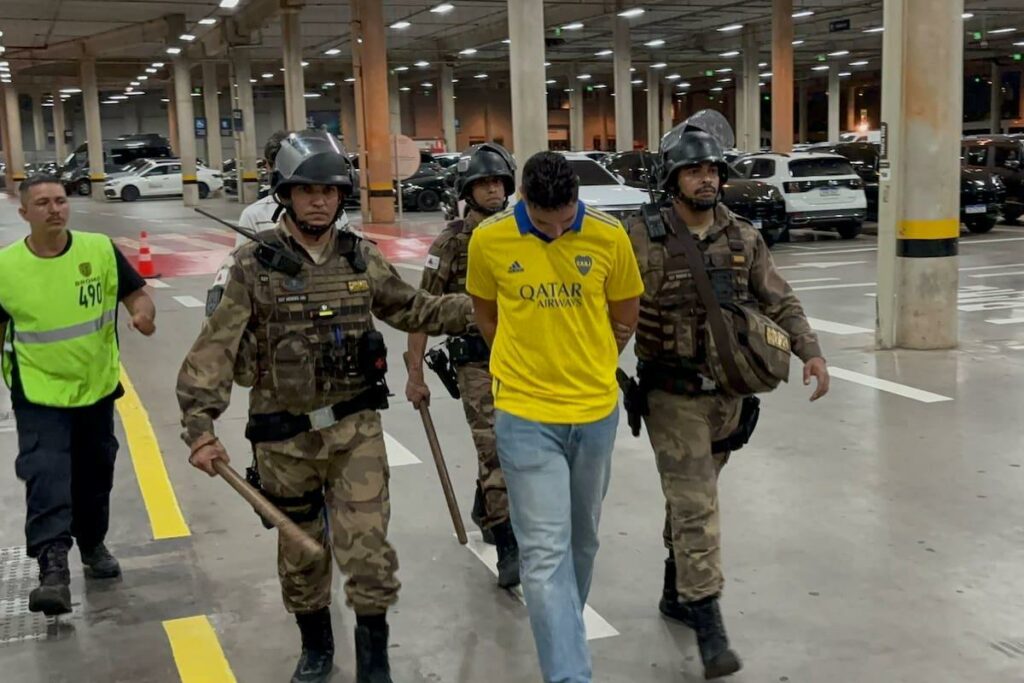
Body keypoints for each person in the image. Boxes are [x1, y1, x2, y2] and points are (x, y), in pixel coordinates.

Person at [176, 130, 473, 683]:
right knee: (303, 555)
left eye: (331, 191)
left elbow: (415, 308)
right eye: (307, 190)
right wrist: (200, 426)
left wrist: (486, 308)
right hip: (282, 441)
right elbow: (213, 350)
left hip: (354, 430)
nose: (320, 200)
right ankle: (316, 647)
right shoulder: (251, 266)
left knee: (369, 551)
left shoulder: (361, 257)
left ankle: (374, 659)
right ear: (285, 194)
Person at [625, 130, 830, 679]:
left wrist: (811, 352)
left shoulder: (742, 235)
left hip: (731, 397)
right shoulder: (639, 238)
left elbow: (778, 298)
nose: (707, 178)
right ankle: (709, 624)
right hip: (672, 394)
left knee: (696, 495)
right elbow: (606, 308)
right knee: (696, 506)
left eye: (713, 170)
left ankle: (675, 589)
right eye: (695, 171)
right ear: (673, 180)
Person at [466, 151, 644, 683]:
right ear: (524, 201)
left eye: (567, 219)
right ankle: (569, 674)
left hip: (594, 414)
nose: (559, 230)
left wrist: (589, 359)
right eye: (545, 223)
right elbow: (485, 312)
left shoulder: (609, 236)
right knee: (544, 552)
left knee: (582, 540)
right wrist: (524, 363)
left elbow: (625, 313)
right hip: (524, 416)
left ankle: (562, 629)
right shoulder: (490, 240)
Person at [0, 174, 156, 616]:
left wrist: (144, 317)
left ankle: (92, 545)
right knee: (46, 476)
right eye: (44, 203)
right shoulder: (6, 267)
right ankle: (52, 572)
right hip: (39, 392)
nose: (55, 209)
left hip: (96, 389)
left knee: (94, 475)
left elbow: (137, 296)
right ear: (24, 213)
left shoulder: (99, 250)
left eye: (60, 200)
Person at [405, 143, 520, 587]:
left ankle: (485, 505)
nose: (493, 190)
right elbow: (422, 310)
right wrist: (415, 374)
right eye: (483, 184)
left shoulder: (521, 233)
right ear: (467, 191)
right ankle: (508, 546)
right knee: (495, 446)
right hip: (477, 363)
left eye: (498, 182)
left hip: (523, 360)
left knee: (519, 446)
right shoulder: (453, 242)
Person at [235, 129, 350, 245]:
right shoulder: (253, 215)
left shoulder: (335, 213)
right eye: (306, 190)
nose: (319, 202)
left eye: (328, 190)